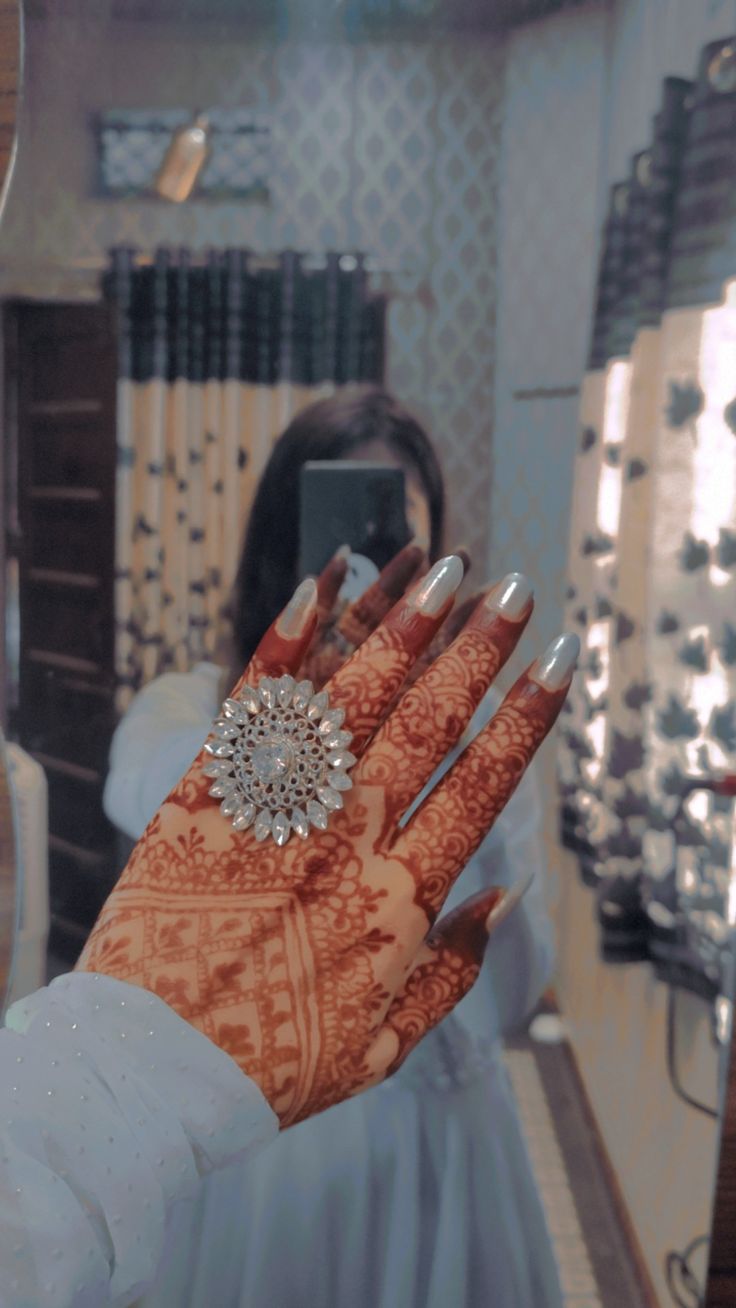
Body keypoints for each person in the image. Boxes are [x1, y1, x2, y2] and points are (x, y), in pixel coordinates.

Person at [103, 389, 566, 1308]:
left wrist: (464, 782)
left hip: (442, 1158)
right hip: (263, 1166)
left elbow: (509, 997)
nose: (370, 579)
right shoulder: (193, 707)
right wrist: (302, 718)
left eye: (401, 545)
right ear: (286, 545)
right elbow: (140, 788)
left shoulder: (475, 747)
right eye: (346, 545)